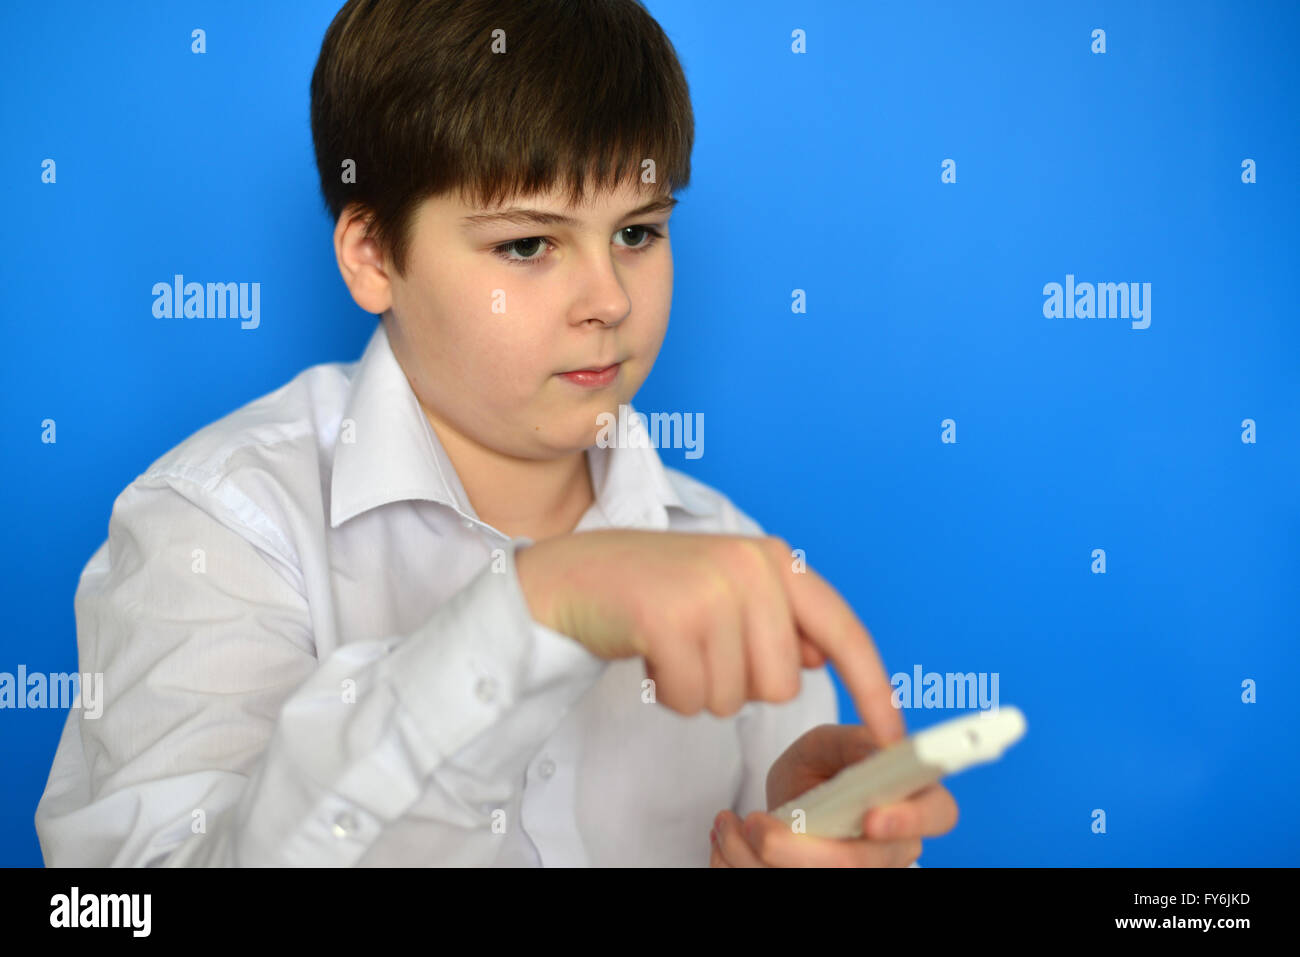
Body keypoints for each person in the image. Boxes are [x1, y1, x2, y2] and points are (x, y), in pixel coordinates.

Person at [34, 0, 956, 867]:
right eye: (528, 245)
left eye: (638, 232)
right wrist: (533, 606)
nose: (609, 300)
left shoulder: (728, 553)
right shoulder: (220, 526)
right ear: (373, 254)